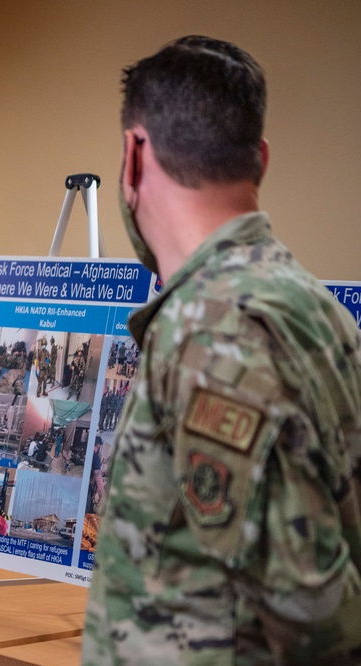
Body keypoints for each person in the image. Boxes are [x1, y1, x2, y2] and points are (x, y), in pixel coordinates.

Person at [83, 36, 361, 663]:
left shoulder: (207, 332)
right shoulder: (319, 308)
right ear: (259, 159)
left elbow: (311, 609)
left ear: (132, 154)